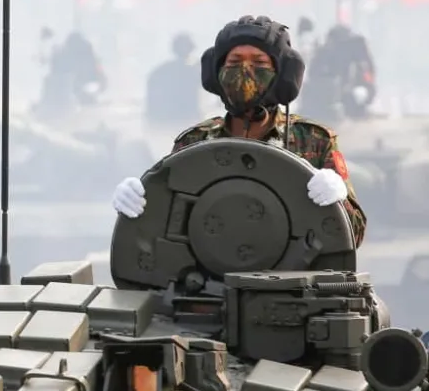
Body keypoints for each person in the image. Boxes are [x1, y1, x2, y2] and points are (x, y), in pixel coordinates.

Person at [112, 15, 366, 246]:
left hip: (293, 286)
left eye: (259, 62)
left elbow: (354, 234)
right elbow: (164, 229)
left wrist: (339, 202)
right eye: (234, 62)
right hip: (208, 286)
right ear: (217, 72)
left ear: (283, 75)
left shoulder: (313, 141)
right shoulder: (195, 143)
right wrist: (141, 204)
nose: (245, 71)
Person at [144, 33, 202, 127]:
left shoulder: (159, 72)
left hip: (162, 123)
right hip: (186, 122)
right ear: (191, 49)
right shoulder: (193, 71)